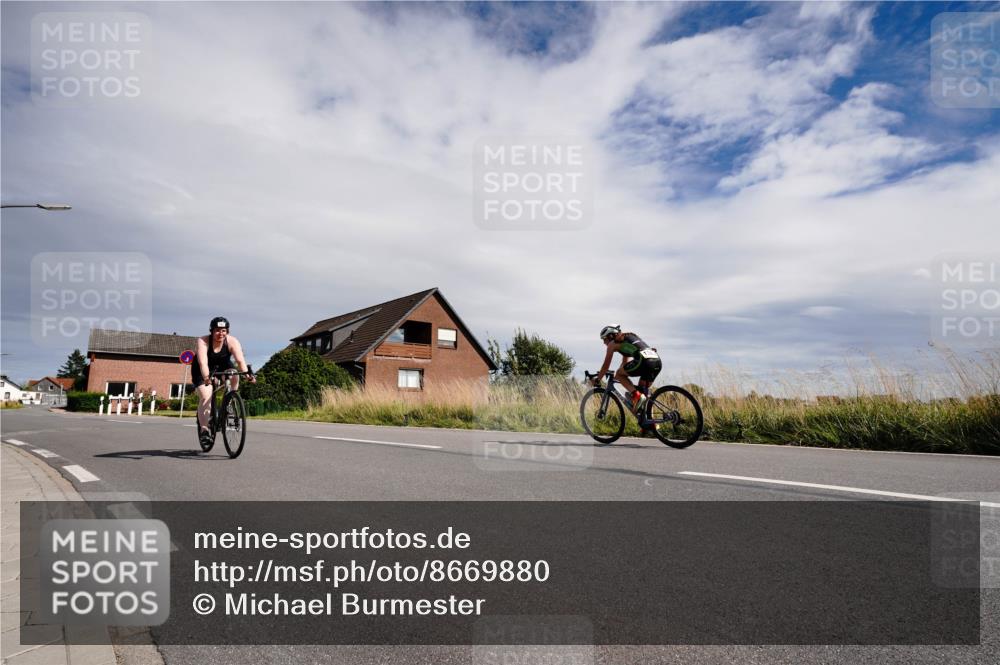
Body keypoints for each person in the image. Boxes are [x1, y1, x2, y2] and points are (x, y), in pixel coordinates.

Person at [192, 316, 254, 446]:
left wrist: (248, 375)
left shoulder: (232, 341)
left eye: (224, 330)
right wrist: (207, 378)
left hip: (223, 365)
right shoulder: (203, 341)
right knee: (206, 395)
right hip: (202, 369)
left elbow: (240, 361)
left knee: (234, 374)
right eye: (217, 330)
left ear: (227, 331)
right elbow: (203, 362)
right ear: (212, 331)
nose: (221, 333)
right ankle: (204, 430)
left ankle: (231, 399)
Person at [593, 325, 662, 429]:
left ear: (611, 336)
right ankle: (649, 423)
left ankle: (636, 395)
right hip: (656, 361)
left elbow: (606, 366)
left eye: (604, 339)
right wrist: (619, 379)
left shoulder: (612, 344)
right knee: (644, 393)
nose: (604, 342)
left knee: (621, 377)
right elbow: (625, 364)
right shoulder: (628, 338)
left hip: (644, 361)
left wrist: (598, 379)